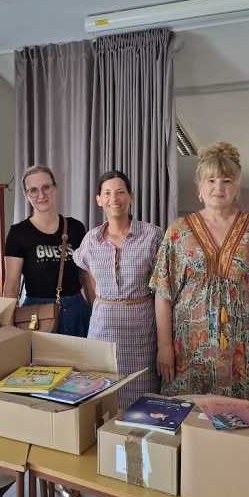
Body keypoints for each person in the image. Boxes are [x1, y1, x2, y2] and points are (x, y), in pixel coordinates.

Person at [150, 142, 249, 403]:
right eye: (211, 180)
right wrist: (164, 346)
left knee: (238, 422)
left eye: (227, 180)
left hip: (242, 357)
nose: (219, 187)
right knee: (186, 420)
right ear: (199, 186)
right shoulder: (178, 231)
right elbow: (163, 293)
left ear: (236, 186)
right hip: (186, 355)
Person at [3, 164, 92, 497]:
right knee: (45, 391)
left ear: (55, 188)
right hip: (36, 317)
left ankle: (75, 462)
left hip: (76, 310)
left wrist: (98, 312)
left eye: (46, 187)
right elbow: (12, 284)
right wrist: (5, 327)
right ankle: (51, 469)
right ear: (26, 195)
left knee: (80, 387)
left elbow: (85, 277)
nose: (41, 195)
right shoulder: (18, 233)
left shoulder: (76, 227)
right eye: (33, 190)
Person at [73, 170, 164, 410]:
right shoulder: (91, 239)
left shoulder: (152, 235)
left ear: (131, 197)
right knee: (102, 398)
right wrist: (103, 302)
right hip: (102, 329)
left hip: (142, 330)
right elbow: (88, 275)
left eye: (120, 192)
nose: (114, 198)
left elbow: (162, 288)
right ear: (99, 200)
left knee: (143, 401)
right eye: (107, 193)